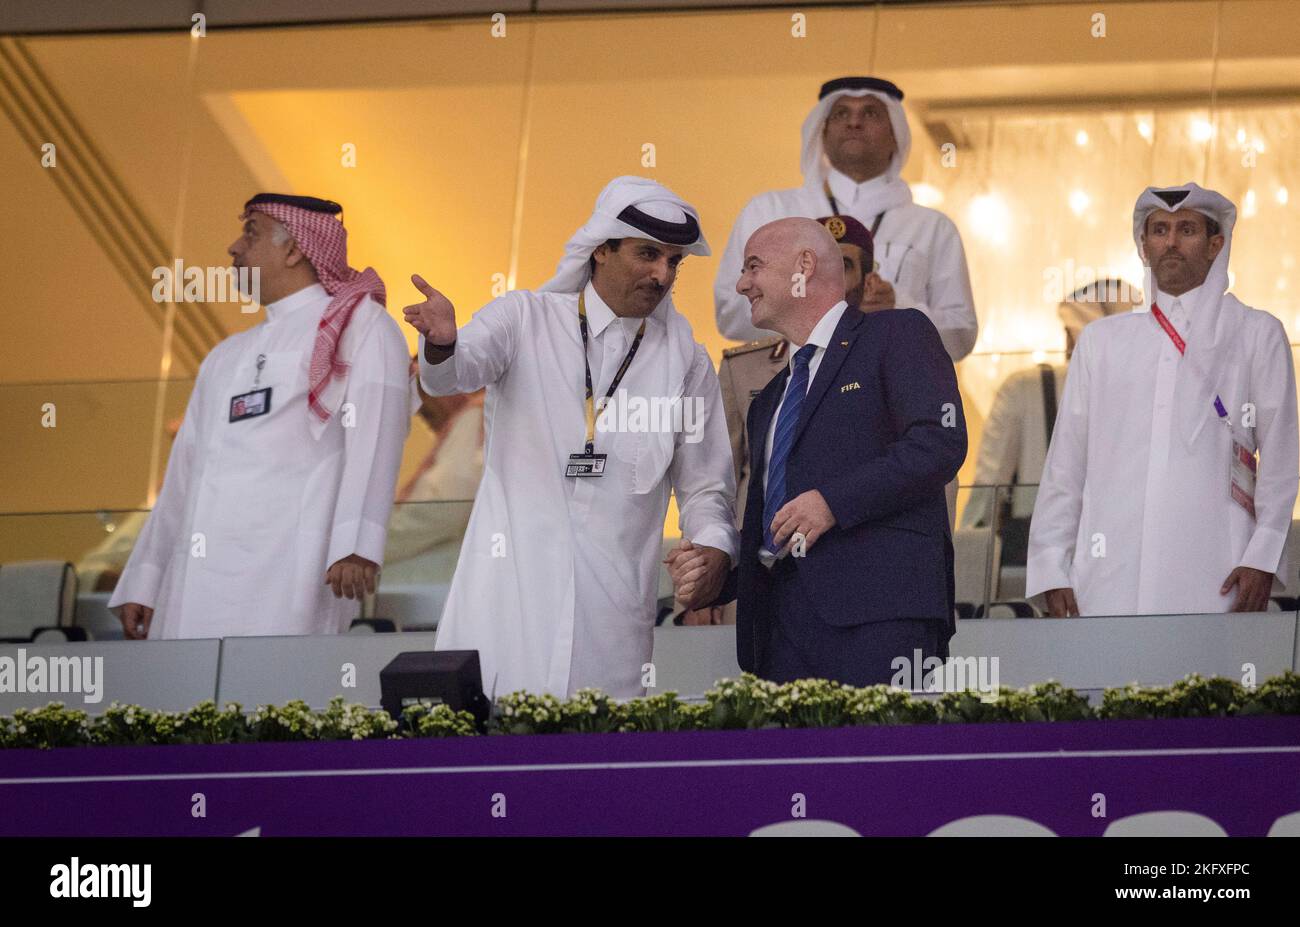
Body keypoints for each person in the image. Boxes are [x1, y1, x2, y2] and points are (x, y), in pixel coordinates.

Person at [405, 176, 738, 698]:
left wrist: (714, 547)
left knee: (593, 765)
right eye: (648, 254)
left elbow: (704, 486)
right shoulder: (524, 319)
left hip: (610, 617)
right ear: (601, 249)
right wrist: (443, 344)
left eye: (675, 262)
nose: (662, 274)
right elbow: (453, 375)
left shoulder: (686, 361)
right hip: (507, 604)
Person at [674, 217, 965, 684]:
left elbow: (938, 442)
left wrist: (833, 502)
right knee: (790, 760)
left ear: (803, 266)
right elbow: (768, 517)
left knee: (872, 757)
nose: (741, 283)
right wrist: (719, 571)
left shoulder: (897, 334)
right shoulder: (770, 398)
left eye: (753, 266)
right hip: (777, 630)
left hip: (878, 618)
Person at [109, 193, 410, 639]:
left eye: (250, 232)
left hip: (289, 569)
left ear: (294, 249)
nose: (233, 247)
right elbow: (184, 475)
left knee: (275, 699)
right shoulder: (225, 356)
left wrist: (356, 546)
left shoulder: (362, 326)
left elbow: (376, 436)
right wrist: (145, 579)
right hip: (195, 581)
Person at [1027, 183, 1299, 616]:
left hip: (1220, 571)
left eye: (1186, 229)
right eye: (1159, 230)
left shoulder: (1256, 332)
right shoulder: (1101, 341)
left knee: (1209, 683)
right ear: (1143, 245)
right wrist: (1050, 565)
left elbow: (1283, 459)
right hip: (1108, 576)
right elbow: (1066, 463)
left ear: (1216, 244)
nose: (1170, 242)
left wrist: (1262, 556)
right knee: (1109, 682)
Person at [685, 213, 876, 625]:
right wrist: (711, 573)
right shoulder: (752, 372)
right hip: (759, 591)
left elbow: (931, 457)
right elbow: (717, 478)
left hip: (862, 592)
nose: (742, 284)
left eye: (845, 264)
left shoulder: (894, 348)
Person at [713, 75, 977, 363]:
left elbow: (961, 335)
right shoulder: (769, 210)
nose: (854, 122)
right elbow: (729, 312)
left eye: (870, 113)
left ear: (896, 136)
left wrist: (898, 307)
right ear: (822, 134)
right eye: (841, 113)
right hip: (791, 392)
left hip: (893, 398)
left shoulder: (932, 228)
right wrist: (803, 304)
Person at [960, 279, 1139, 565]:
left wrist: (968, 561)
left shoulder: (1023, 388)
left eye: (1068, 332)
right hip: (1126, 556)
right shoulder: (1150, 397)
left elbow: (989, 488)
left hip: (1040, 557)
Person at [381, 368, 485, 585]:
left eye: (425, 409)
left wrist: (370, 542)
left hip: (437, 582)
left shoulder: (473, 418)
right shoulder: (483, 417)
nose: (426, 419)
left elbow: (444, 507)